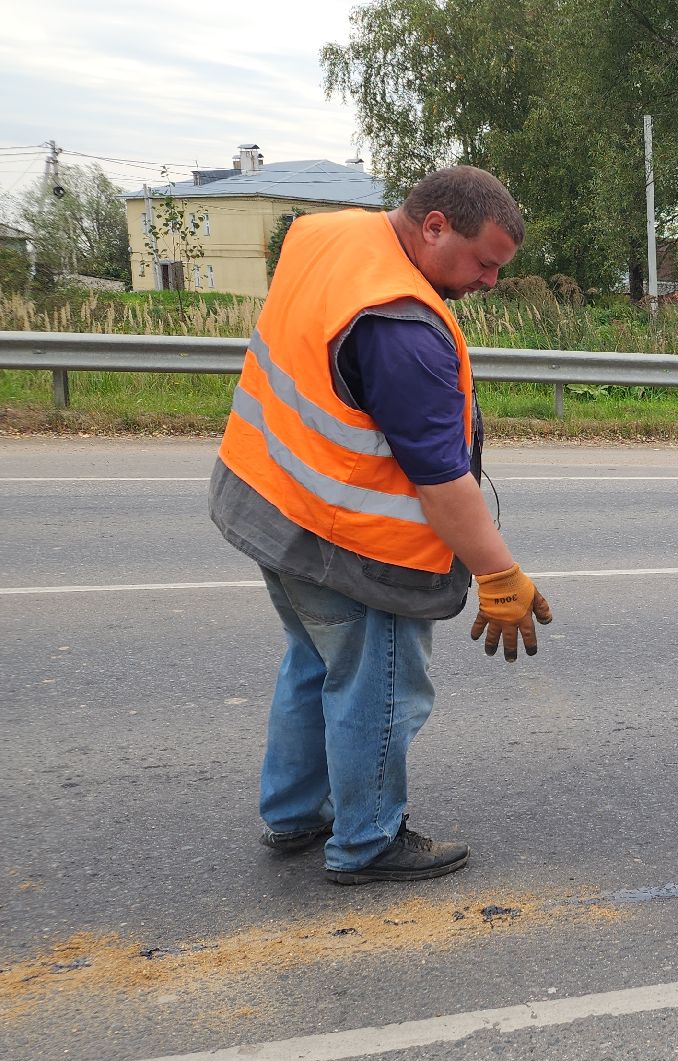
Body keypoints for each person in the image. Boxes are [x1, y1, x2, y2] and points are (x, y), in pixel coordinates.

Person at [209, 166, 553, 885]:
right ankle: (367, 839)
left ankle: (297, 813)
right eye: (484, 262)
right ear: (433, 227)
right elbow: (439, 479)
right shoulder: (402, 328)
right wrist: (497, 572)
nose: (490, 281)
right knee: (379, 687)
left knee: (313, 663)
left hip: (273, 502)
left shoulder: (327, 235)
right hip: (352, 544)